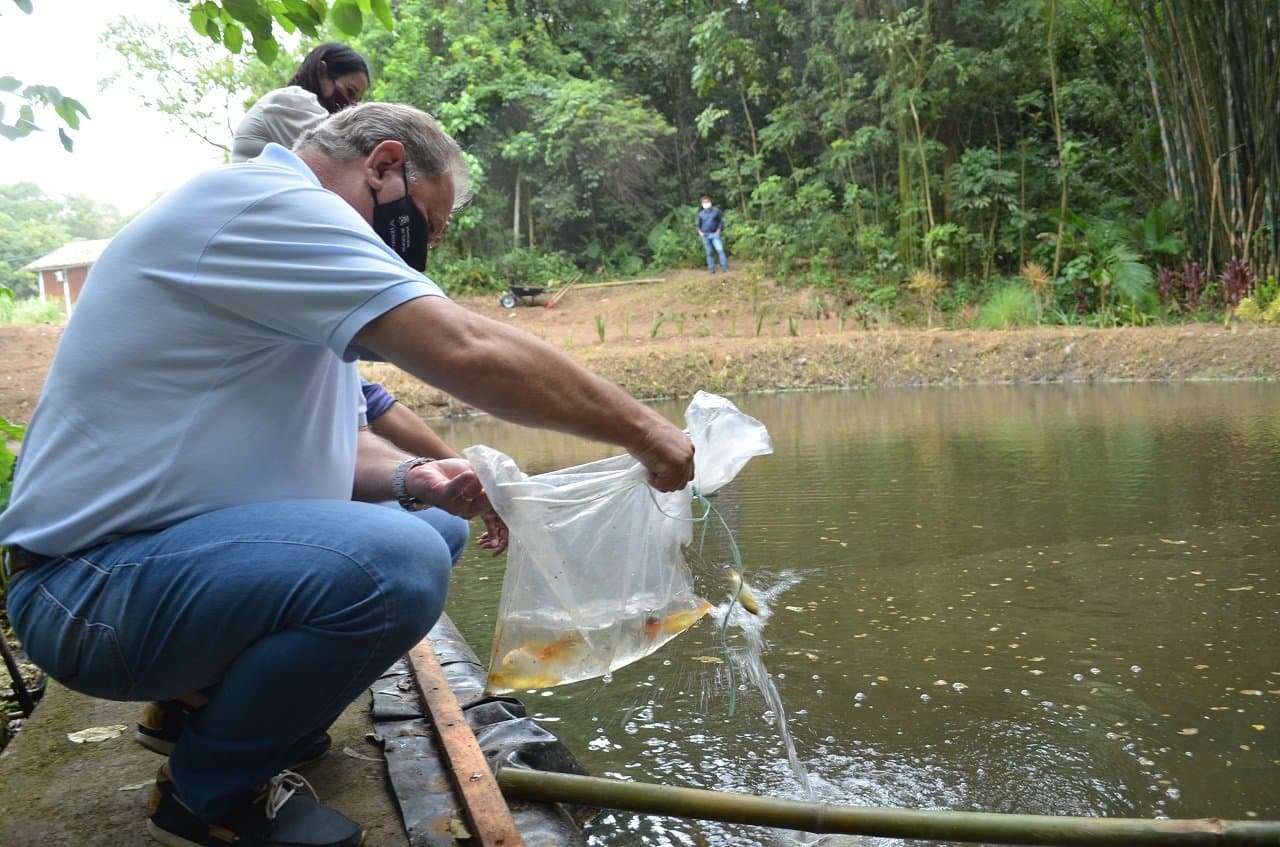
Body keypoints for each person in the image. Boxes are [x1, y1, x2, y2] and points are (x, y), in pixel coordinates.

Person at [0, 103, 695, 847]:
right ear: (384, 166)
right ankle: (211, 791)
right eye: (428, 226)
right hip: (86, 591)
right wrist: (645, 429)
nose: (424, 248)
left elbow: (340, 449)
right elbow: (467, 348)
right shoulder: (269, 205)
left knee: (431, 524)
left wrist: (420, 476)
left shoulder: (284, 256)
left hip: (150, 572)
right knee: (399, 562)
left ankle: (202, 707)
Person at [696, 195, 729, 274]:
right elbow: (698, 225)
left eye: (707, 202)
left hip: (715, 234)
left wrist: (719, 230)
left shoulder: (716, 211)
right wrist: (700, 232)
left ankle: (725, 269)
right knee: (709, 253)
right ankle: (712, 271)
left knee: (720, 250)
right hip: (705, 235)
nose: (706, 203)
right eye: (704, 202)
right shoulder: (700, 214)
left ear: (710, 202)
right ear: (702, 204)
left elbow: (720, 221)